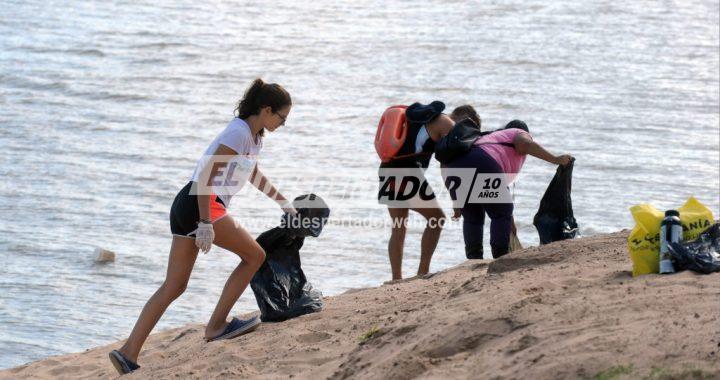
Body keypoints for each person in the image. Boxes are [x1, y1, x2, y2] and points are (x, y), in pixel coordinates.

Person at [109, 79, 296, 375]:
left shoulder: (255, 136)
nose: (283, 124)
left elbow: (252, 174)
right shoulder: (238, 133)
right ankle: (217, 326)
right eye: (281, 118)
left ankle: (127, 353)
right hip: (201, 201)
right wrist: (206, 221)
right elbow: (207, 175)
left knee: (175, 285)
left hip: (189, 203)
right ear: (266, 109)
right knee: (255, 256)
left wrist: (283, 202)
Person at [441, 119, 572, 259]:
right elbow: (524, 143)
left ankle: (473, 259)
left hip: (454, 169)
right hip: (481, 164)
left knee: (473, 217)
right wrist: (556, 159)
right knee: (500, 214)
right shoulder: (517, 132)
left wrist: (456, 202)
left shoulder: (486, 141)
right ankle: (500, 256)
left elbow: (501, 196)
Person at [378, 101, 453, 280]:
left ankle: (396, 278)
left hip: (387, 169)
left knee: (398, 227)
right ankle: (423, 272)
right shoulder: (445, 123)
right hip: (408, 173)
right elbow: (447, 161)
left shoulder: (412, 120)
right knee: (437, 219)